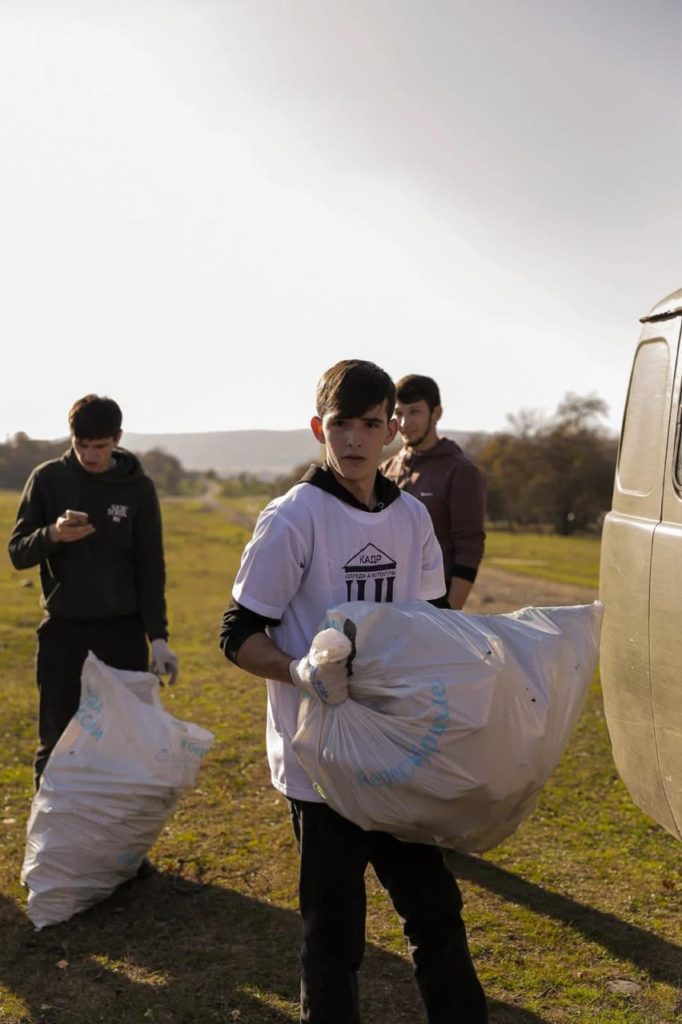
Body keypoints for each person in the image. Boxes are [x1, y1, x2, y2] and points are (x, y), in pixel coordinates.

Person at [219, 360, 488, 1023]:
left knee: (437, 918)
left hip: (395, 756)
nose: (355, 440)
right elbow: (237, 634)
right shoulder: (290, 519)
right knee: (333, 941)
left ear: (393, 430)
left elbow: (426, 626)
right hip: (322, 767)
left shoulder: (412, 521)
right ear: (320, 427)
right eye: (342, 424)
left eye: (371, 424)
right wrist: (299, 672)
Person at [8, 394, 178, 789]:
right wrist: (52, 534)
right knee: (56, 742)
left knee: (126, 741)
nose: (89, 455)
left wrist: (159, 638)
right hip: (64, 631)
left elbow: (150, 567)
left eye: (98, 446)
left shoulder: (138, 489)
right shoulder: (48, 479)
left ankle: (123, 849)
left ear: (117, 439)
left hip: (123, 632)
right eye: (80, 445)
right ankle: (51, 849)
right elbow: (17, 553)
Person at [381, 374, 486, 610]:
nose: (405, 423)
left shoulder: (461, 471)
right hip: (388, 602)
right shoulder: (385, 469)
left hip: (435, 606)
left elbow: (469, 548)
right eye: (399, 413)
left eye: (414, 412)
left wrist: (449, 614)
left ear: (436, 413)